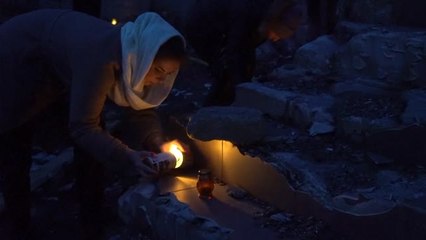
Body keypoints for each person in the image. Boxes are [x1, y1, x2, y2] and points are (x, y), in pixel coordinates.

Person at [0, 9, 185, 239]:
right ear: (145, 56)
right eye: (158, 70)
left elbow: (138, 107)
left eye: (169, 74)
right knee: (16, 140)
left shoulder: (132, 52)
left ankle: (91, 215)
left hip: (58, 59)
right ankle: (19, 224)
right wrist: (128, 156)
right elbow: (83, 127)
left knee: (94, 143)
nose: (161, 80)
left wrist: (155, 141)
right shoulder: (102, 59)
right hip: (19, 57)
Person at [139, 0, 303, 105]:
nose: (274, 40)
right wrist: (242, 87)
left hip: (224, 26)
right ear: (273, 23)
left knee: (235, 68)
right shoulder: (248, 13)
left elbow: (247, 48)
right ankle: (213, 108)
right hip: (202, 25)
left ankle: (228, 96)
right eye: (276, 35)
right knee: (222, 70)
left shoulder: (264, 15)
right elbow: (235, 50)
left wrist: (248, 79)